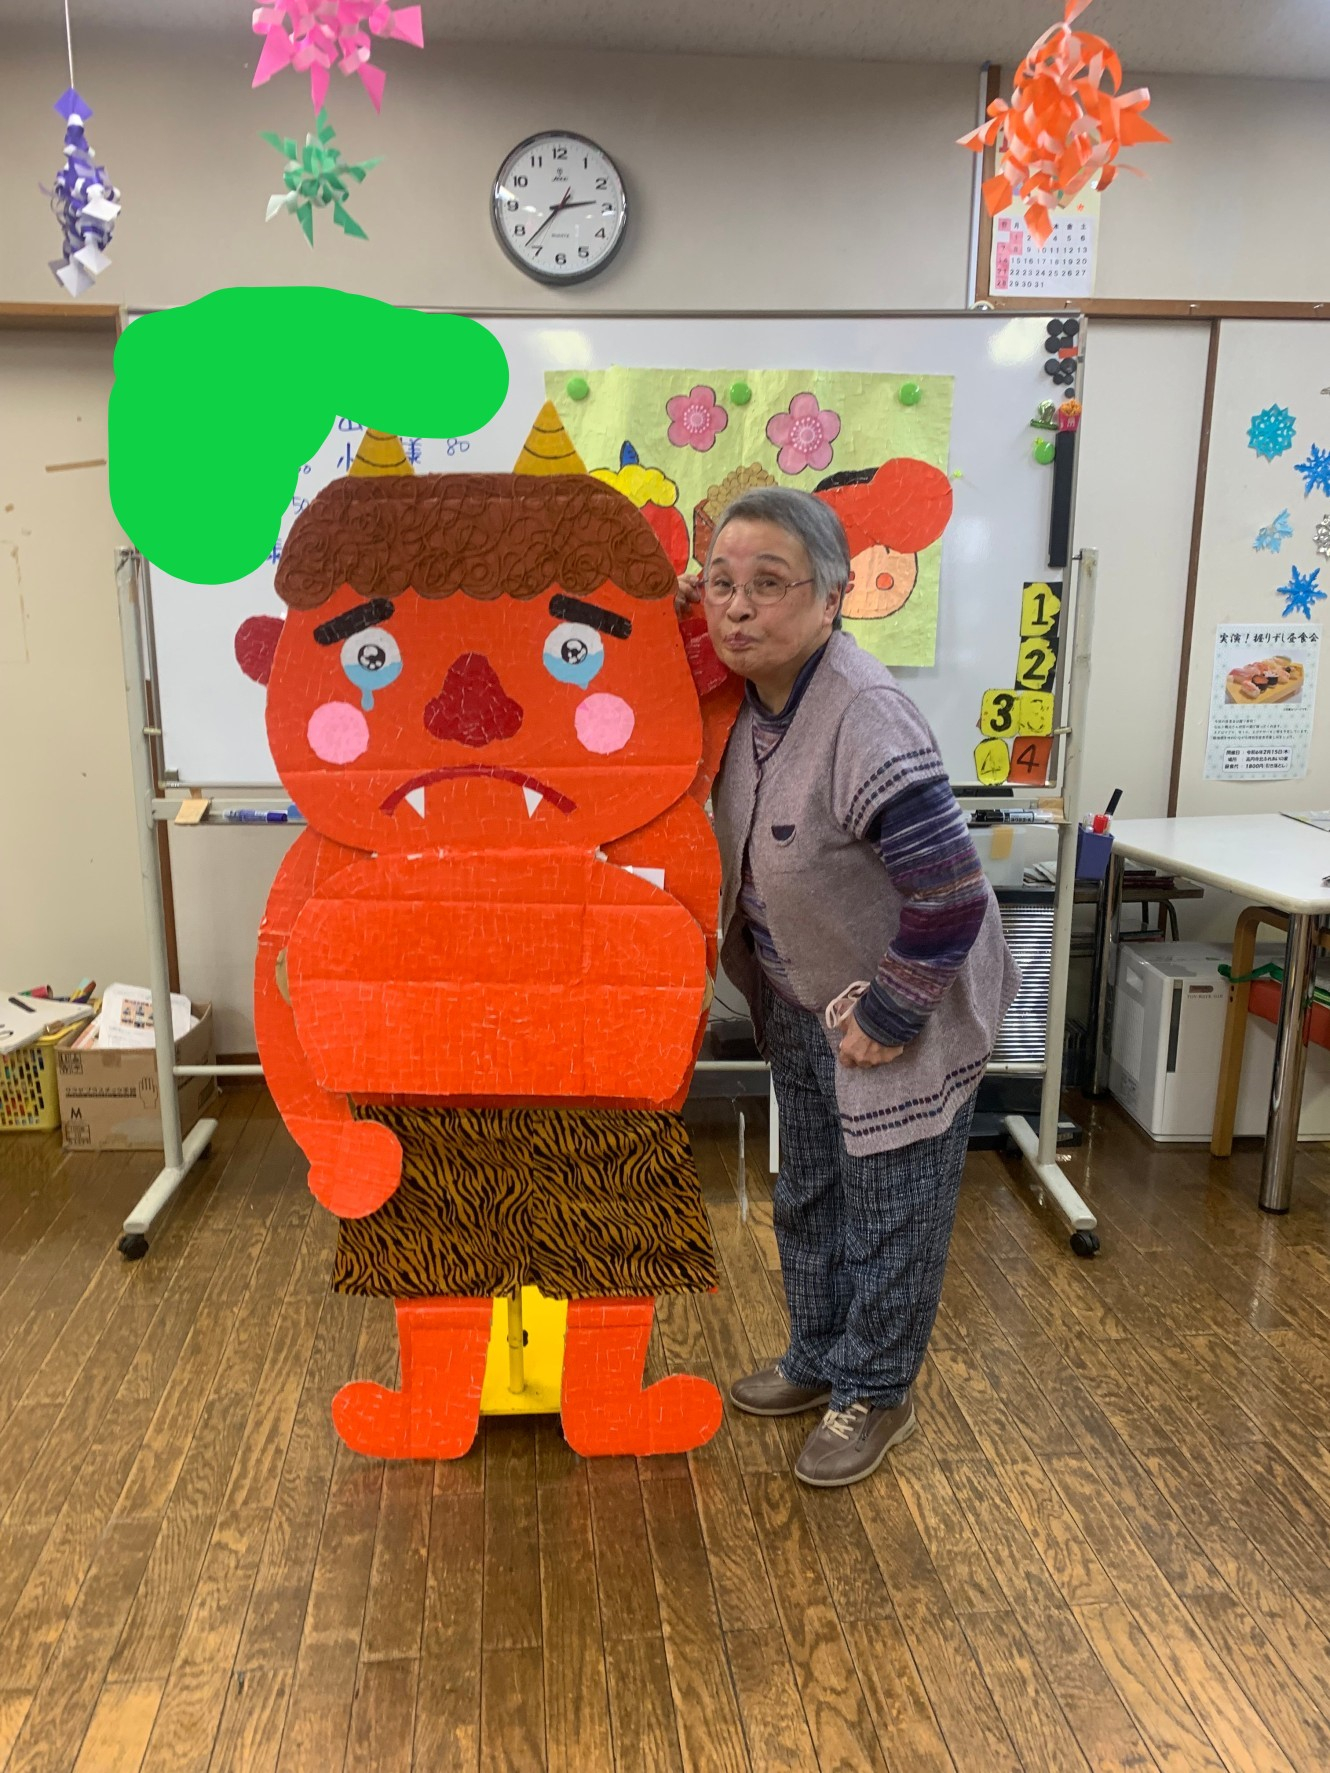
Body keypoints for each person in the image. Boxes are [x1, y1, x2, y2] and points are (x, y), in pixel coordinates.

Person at [679, 486, 1018, 1488]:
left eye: (769, 584)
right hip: (800, 995)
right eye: (721, 584)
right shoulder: (745, 701)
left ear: (833, 599)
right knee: (813, 1190)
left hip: (901, 1000)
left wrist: (890, 1012)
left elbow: (950, 894)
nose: (738, 607)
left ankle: (875, 1388)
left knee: (889, 1207)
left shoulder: (863, 714)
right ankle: (818, 1355)